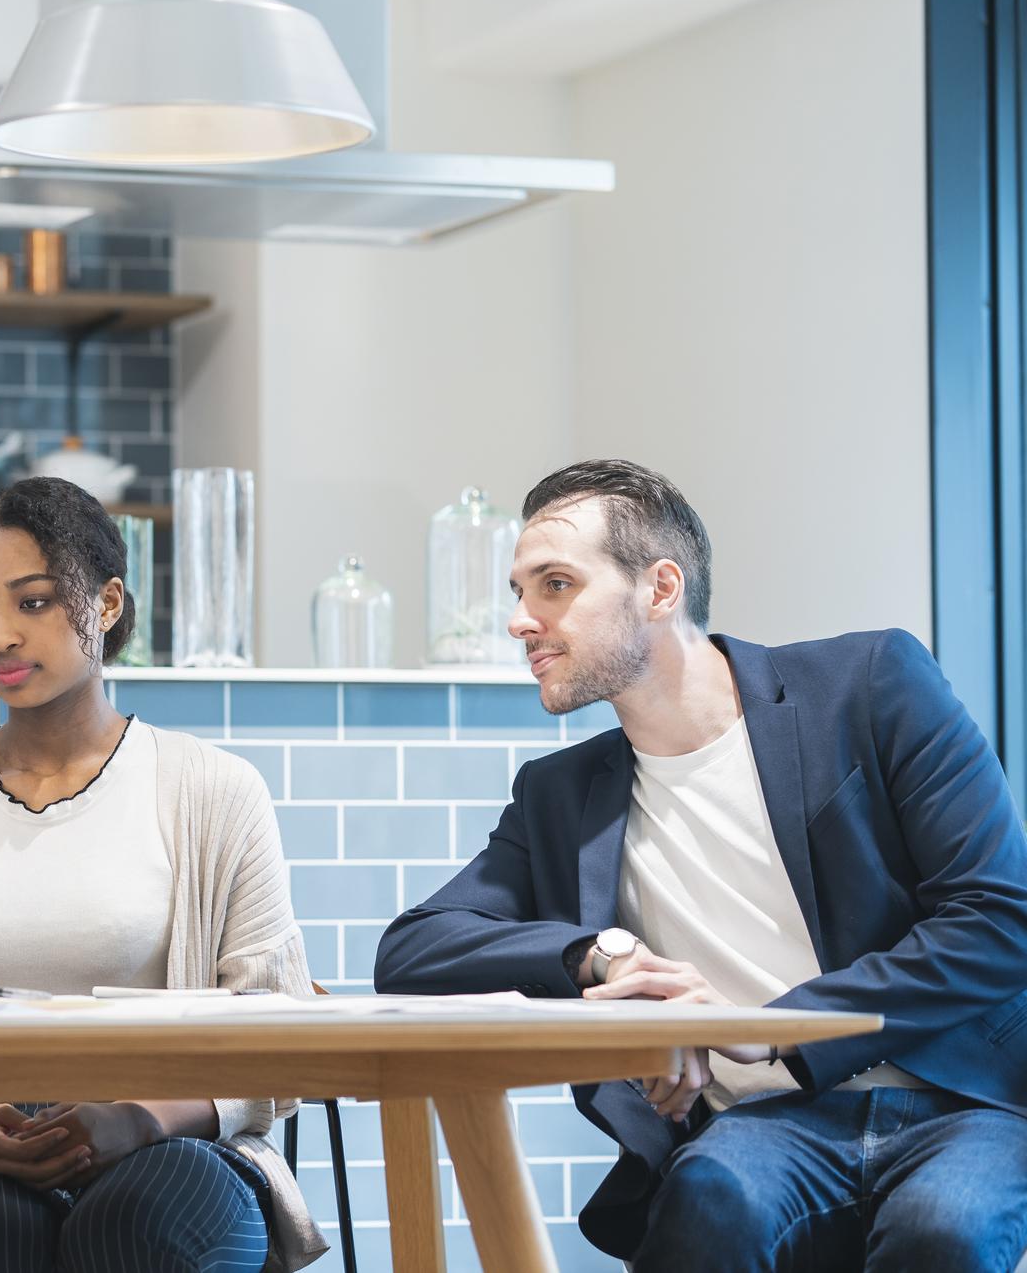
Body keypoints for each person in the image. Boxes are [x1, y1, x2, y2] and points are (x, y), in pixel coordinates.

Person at [373, 459, 1027, 1271]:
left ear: (660, 587)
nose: (520, 620)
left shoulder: (868, 683)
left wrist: (771, 1031)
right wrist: (599, 956)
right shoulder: (561, 795)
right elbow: (411, 951)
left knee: (946, 1228)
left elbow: (999, 919)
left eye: (554, 584)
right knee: (706, 1202)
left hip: (962, 1100)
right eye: (519, 591)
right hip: (767, 1126)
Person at [0, 476, 328, 1273]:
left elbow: (283, 1036)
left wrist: (139, 1120)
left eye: (32, 602)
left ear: (108, 603)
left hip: (177, 1143)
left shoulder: (214, 789)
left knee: (138, 1219)